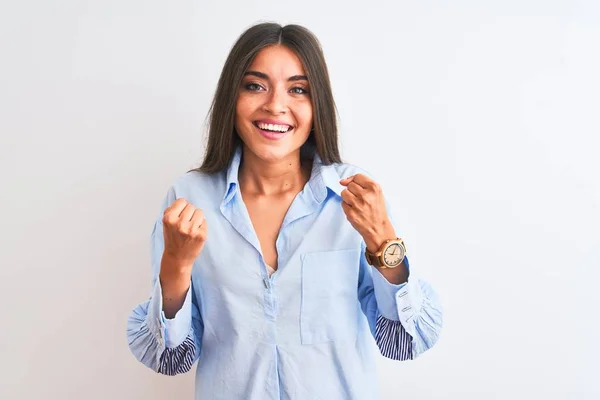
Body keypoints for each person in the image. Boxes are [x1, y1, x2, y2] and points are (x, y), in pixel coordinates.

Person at [126, 22, 443, 400]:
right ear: (232, 97)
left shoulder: (355, 197)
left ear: (317, 104)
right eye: (255, 85)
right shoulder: (189, 198)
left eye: (298, 89)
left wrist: (384, 242)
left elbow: (407, 339)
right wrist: (175, 266)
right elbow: (168, 358)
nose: (275, 105)